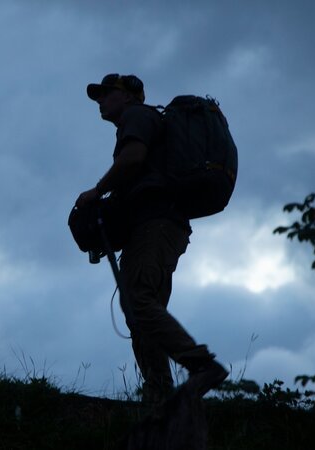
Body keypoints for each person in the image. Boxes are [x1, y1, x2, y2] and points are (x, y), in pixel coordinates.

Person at [76, 73, 228, 405]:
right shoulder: (140, 121)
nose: (100, 100)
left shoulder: (138, 116)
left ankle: (202, 366)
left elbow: (132, 160)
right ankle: (159, 394)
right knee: (141, 310)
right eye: (98, 95)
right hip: (158, 225)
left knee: (137, 299)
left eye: (106, 93)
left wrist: (97, 192)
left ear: (129, 96)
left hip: (156, 224)